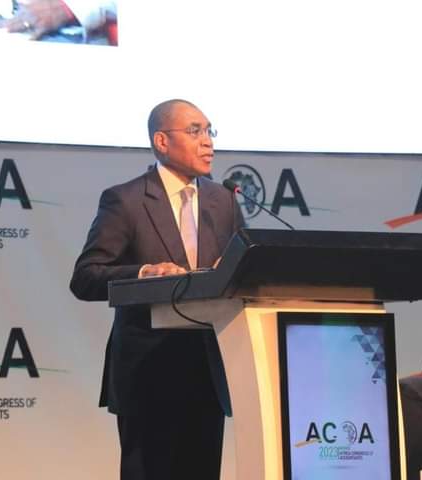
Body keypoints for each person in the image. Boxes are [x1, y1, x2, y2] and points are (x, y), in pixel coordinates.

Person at [70, 99, 244, 480]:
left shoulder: (223, 201)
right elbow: (85, 277)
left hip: (208, 372)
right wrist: (144, 272)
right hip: (148, 374)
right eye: (195, 131)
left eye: (209, 131)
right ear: (161, 141)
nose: (207, 141)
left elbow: (240, 275)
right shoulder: (126, 200)